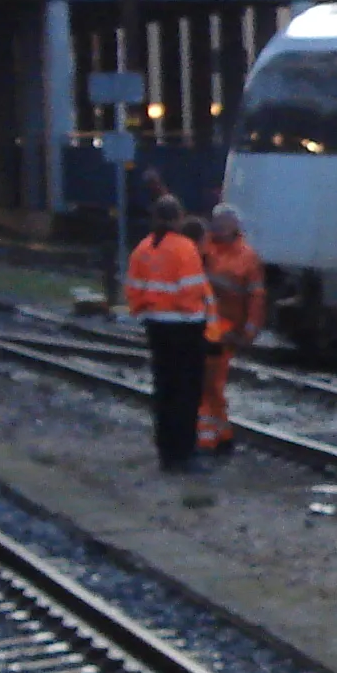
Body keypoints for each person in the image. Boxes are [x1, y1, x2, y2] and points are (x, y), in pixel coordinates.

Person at [125, 197, 210, 473]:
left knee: (164, 389)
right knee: (186, 391)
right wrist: (197, 316)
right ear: (178, 218)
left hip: (155, 326)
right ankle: (183, 453)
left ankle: (166, 451)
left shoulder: (143, 249)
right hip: (184, 327)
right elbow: (192, 290)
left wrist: (145, 311)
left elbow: (133, 290)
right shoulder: (184, 248)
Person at [196, 203, 265, 457]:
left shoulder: (247, 256)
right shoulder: (205, 248)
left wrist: (249, 329)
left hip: (224, 330)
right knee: (208, 384)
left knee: (211, 384)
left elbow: (256, 296)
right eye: (218, 222)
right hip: (205, 326)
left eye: (225, 223)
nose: (220, 227)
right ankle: (218, 436)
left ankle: (212, 438)